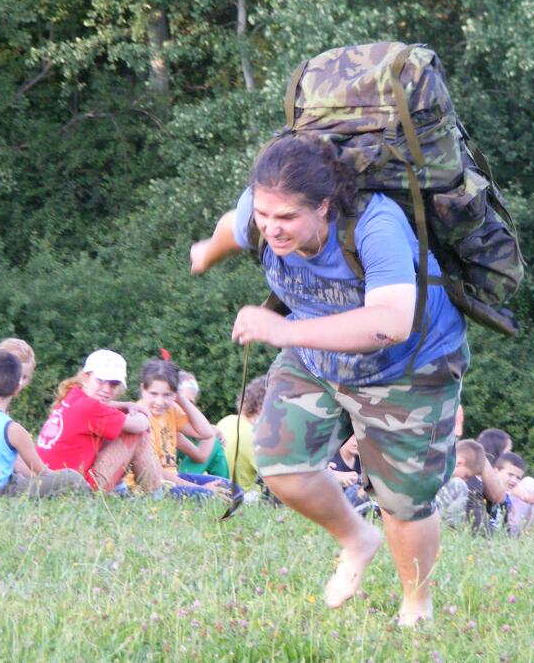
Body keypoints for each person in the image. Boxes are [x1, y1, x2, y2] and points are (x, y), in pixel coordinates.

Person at [190, 134, 469, 626]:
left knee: (403, 500)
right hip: (318, 354)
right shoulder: (261, 214)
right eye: (264, 214)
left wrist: (285, 331)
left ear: (323, 205)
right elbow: (233, 226)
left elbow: (391, 322)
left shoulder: (375, 225)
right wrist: (207, 253)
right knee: (280, 462)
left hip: (408, 365)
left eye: (286, 217)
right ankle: (356, 539)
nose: (272, 227)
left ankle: (416, 606)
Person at [0, 350, 88, 496]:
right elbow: (42, 472)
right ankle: (94, 500)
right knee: (71, 477)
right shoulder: (12, 429)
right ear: (17, 389)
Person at [36, 349, 161, 492]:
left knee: (116, 429)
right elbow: (139, 426)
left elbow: (105, 406)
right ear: (86, 377)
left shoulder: (73, 393)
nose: (107, 389)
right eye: (101, 380)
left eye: (113, 384)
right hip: (79, 489)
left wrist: (127, 405)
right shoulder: (91, 408)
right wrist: (142, 413)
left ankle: (122, 490)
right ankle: (155, 493)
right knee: (136, 435)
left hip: (52, 482)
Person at [133, 357, 232, 500]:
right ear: (143, 390)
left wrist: (182, 400)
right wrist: (202, 489)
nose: (159, 402)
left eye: (167, 395)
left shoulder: (171, 410)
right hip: (155, 485)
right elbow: (157, 473)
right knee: (212, 495)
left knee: (232, 488)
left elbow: (206, 433)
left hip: (173, 478)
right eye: (153, 394)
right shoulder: (141, 418)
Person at [215, 375, 266, 492]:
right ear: (261, 407)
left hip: (215, 488)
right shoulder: (256, 436)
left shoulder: (226, 420)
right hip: (239, 495)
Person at [175, 370, 230, 479]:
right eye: (182, 401)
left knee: (214, 444)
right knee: (214, 444)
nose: (186, 407)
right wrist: (210, 435)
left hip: (174, 477)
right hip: (167, 480)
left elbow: (199, 454)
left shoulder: (181, 429)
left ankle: (224, 486)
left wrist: (210, 432)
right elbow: (200, 456)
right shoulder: (164, 423)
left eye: (191, 403)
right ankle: (225, 485)